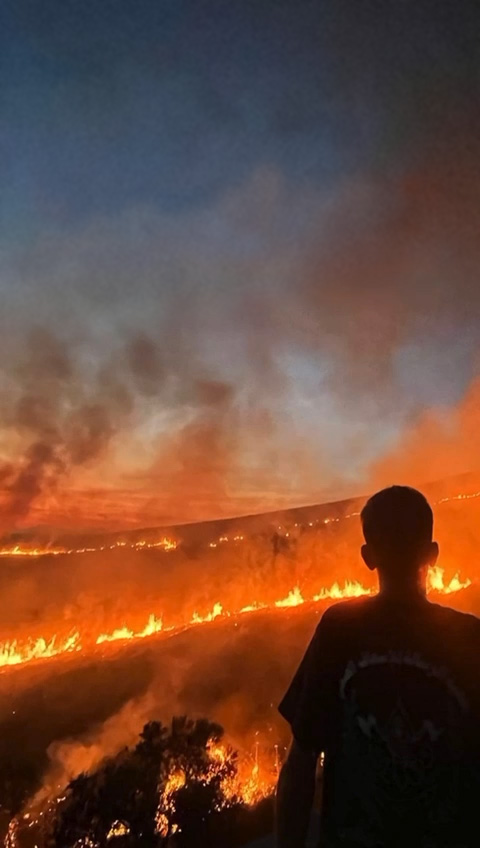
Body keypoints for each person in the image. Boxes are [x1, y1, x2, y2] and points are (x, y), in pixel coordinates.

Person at [276, 485, 480, 848]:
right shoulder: (469, 636)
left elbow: (301, 764)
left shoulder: (340, 629)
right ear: (433, 555)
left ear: (368, 557)